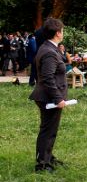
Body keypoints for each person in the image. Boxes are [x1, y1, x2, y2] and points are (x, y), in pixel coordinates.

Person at [29, 18, 68, 172]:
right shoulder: (49, 52)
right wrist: (57, 98)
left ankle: (47, 157)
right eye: (62, 31)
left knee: (50, 129)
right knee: (48, 130)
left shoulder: (49, 48)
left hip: (48, 96)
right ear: (58, 33)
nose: (63, 33)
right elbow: (47, 78)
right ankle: (42, 164)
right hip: (48, 97)